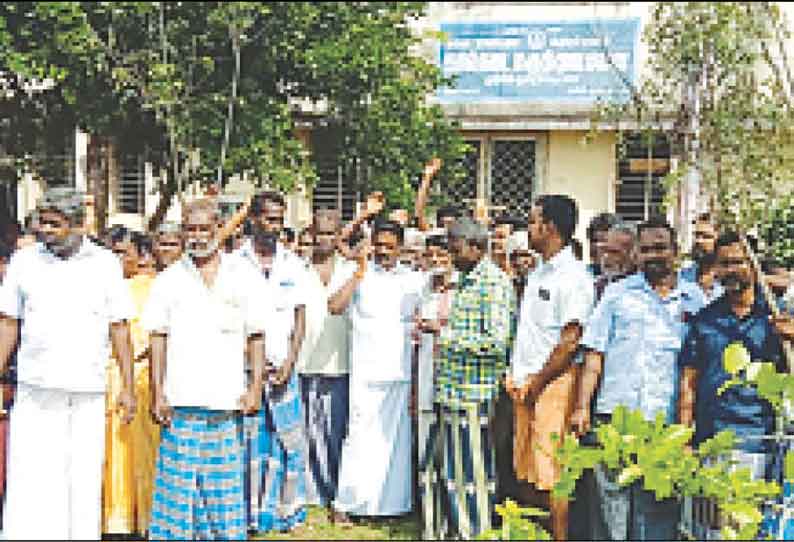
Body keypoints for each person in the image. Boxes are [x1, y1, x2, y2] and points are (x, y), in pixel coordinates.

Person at [0, 187, 136, 540]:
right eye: (41, 222)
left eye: (53, 224)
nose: (44, 229)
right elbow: (8, 323)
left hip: (86, 391)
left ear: (78, 225)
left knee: (82, 478)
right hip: (35, 389)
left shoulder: (106, 263)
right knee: (31, 476)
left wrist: (129, 388)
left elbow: (119, 327)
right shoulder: (24, 261)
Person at [571, 215, 706, 541]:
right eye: (646, 250)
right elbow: (594, 355)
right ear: (636, 255)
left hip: (664, 425)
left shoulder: (694, 301)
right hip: (615, 419)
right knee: (610, 511)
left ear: (676, 251)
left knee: (657, 511)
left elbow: (697, 368)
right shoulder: (617, 294)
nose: (654, 256)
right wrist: (581, 407)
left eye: (660, 248)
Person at [143, 198, 267, 541]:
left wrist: (255, 387)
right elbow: (157, 339)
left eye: (204, 229)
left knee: (223, 490)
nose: (197, 237)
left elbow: (257, 335)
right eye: (190, 229)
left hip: (227, 402)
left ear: (219, 230)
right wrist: (157, 393)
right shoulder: (168, 280)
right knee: (177, 489)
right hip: (181, 401)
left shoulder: (244, 276)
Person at [678, 231, 794, 539]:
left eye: (738, 262)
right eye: (724, 264)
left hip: (760, 441)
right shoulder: (704, 320)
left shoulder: (776, 318)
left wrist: (791, 339)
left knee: (747, 528)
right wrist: (685, 437)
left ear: (754, 267)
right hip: (712, 440)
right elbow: (689, 381)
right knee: (710, 529)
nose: (730, 270)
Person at [420, 217, 514, 539]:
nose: (449, 252)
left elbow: (497, 342)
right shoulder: (465, 279)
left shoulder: (494, 284)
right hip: (449, 391)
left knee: (471, 476)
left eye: (454, 246)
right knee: (440, 471)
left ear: (476, 247)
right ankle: (443, 531)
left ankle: (474, 533)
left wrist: (443, 334)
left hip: (473, 395)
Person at [507, 195, 593, 540]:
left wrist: (538, 383)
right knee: (526, 470)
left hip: (553, 386)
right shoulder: (539, 271)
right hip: (527, 386)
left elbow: (569, 342)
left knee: (553, 474)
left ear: (550, 227)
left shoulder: (573, 277)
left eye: (532, 222)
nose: (528, 229)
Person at [331, 218, 426, 521]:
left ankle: (392, 506)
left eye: (390, 247)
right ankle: (346, 504)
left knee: (394, 442)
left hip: (399, 372)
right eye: (379, 246)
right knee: (359, 436)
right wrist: (358, 273)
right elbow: (334, 306)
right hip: (366, 372)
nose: (384, 252)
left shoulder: (414, 279)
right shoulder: (358, 273)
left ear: (400, 248)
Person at [245, 226, 309, 535]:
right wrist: (254, 365)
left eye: (279, 219)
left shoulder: (293, 263)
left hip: (284, 369)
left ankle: (287, 512)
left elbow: (300, 320)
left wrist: (289, 362)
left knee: (288, 443)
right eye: (268, 218)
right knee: (251, 444)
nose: (274, 225)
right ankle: (252, 515)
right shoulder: (234, 263)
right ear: (254, 219)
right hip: (246, 371)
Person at [297, 209, 357, 519]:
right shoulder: (297, 268)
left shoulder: (351, 270)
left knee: (336, 432)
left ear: (339, 237)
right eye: (320, 233)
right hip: (304, 362)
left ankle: (336, 490)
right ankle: (309, 492)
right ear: (311, 233)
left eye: (331, 234)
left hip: (340, 361)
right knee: (306, 432)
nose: (325, 239)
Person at [413, 233, 454, 532]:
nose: (437, 262)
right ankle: (430, 523)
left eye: (443, 255)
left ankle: (455, 522)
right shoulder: (423, 292)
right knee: (427, 456)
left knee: (452, 459)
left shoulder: (464, 291)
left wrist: (439, 328)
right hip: (427, 381)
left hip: (455, 387)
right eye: (432, 256)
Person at [679, 213, 724, 302]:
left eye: (706, 237)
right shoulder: (682, 276)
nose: (698, 241)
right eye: (696, 235)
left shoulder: (729, 278)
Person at [594, 222, 638, 302]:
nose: (606, 257)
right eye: (604, 250)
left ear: (634, 255)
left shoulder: (642, 290)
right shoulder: (596, 287)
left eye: (614, 252)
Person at [586, 212, 618, 277]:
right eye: (594, 241)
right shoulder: (581, 275)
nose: (597, 247)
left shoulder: (636, 283)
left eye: (604, 242)